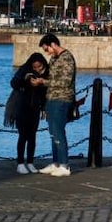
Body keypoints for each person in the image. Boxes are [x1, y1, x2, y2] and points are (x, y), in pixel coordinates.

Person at [33, 33, 77, 177]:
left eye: (47, 49)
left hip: (62, 99)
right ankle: (56, 162)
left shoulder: (67, 58)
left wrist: (43, 82)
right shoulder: (53, 59)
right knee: (52, 132)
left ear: (53, 44)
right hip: (51, 98)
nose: (47, 52)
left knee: (58, 131)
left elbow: (65, 82)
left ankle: (65, 165)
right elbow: (51, 77)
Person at [4, 53, 48, 174]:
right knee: (22, 135)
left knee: (33, 136)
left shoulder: (46, 73)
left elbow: (45, 93)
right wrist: (26, 78)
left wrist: (44, 107)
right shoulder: (24, 70)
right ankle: (20, 163)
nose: (37, 69)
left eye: (39, 66)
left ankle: (30, 162)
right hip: (21, 107)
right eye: (35, 67)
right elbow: (14, 83)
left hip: (35, 108)